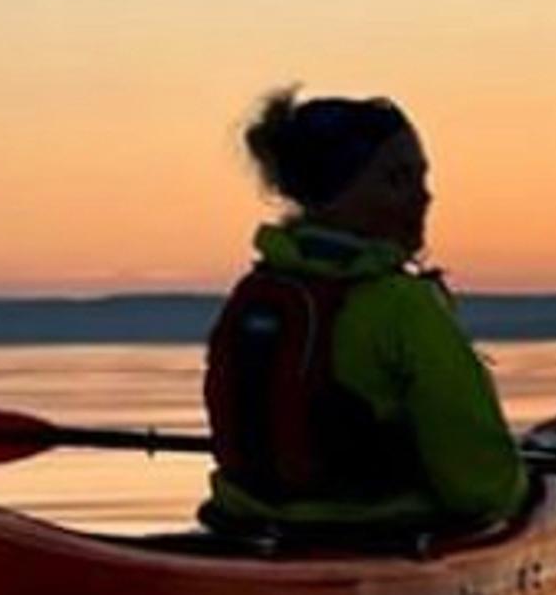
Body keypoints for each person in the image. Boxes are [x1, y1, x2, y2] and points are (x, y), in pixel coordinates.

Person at [199, 87, 528, 548]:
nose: (424, 197)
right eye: (397, 179)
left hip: (248, 527)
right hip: (380, 539)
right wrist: (527, 492)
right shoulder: (401, 305)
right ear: (333, 196)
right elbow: (480, 490)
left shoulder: (254, 295)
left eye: (421, 177)